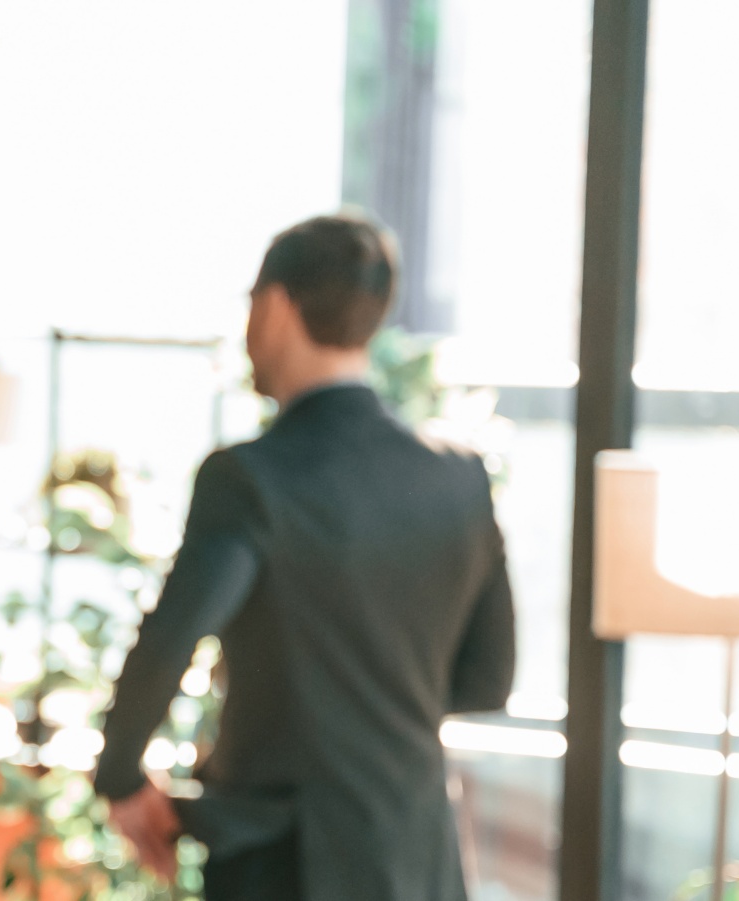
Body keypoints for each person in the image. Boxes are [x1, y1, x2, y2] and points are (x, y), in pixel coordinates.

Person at [93, 214, 515, 901]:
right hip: (416, 852)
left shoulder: (251, 480)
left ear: (274, 306)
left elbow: (171, 636)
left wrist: (120, 776)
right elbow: (488, 679)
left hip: (285, 859)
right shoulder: (459, 479)